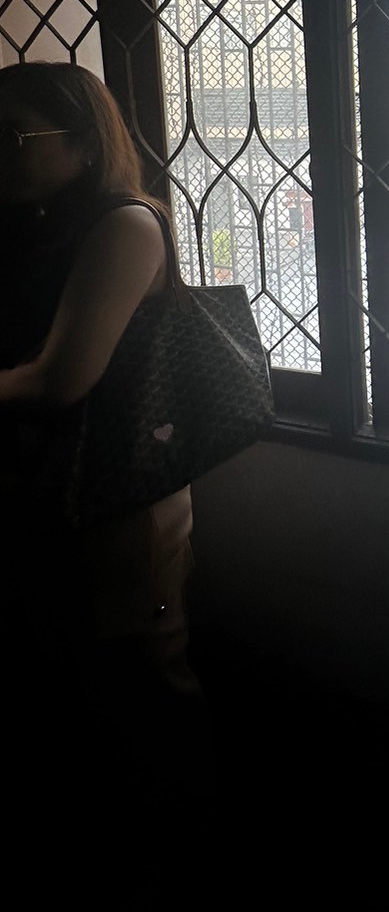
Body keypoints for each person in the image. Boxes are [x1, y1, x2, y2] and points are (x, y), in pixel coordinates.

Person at [0, 60, 209, 813]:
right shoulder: (31, 223)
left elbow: (61, 379)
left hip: (117, 490)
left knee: (143, 670)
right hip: (44, 482)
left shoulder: (125, 224)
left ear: (85, 143)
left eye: (13, 136)